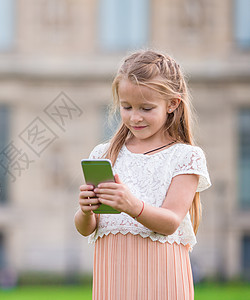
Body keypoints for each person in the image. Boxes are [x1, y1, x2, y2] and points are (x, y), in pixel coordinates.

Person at [74, 50, 211, 300]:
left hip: (163, 281)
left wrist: (132, 205)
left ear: (172, 104)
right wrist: (85, 211)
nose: (134, 117)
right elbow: (87, 229)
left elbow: (171, 221)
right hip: (113, 282)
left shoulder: (185, 156)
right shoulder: (104, 154)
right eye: (126, 107)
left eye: (146, 108)